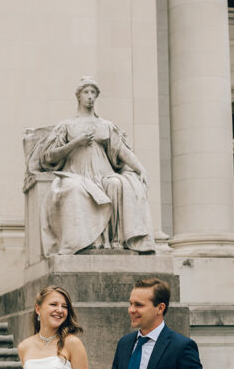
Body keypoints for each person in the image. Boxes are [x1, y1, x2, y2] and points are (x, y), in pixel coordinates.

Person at [37, 77, 155, 255]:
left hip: (103, 174)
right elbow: (49, 156)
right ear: (79, 96)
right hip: (75, 174)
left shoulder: (106, 126)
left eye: (93, 93)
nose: (90, 97)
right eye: (86, 92)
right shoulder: (67, 126)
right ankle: (85, 242)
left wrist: (141, 169)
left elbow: (122, 151)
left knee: (117, 184)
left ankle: (114, 241)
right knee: (75, 189)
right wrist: (76, 142)